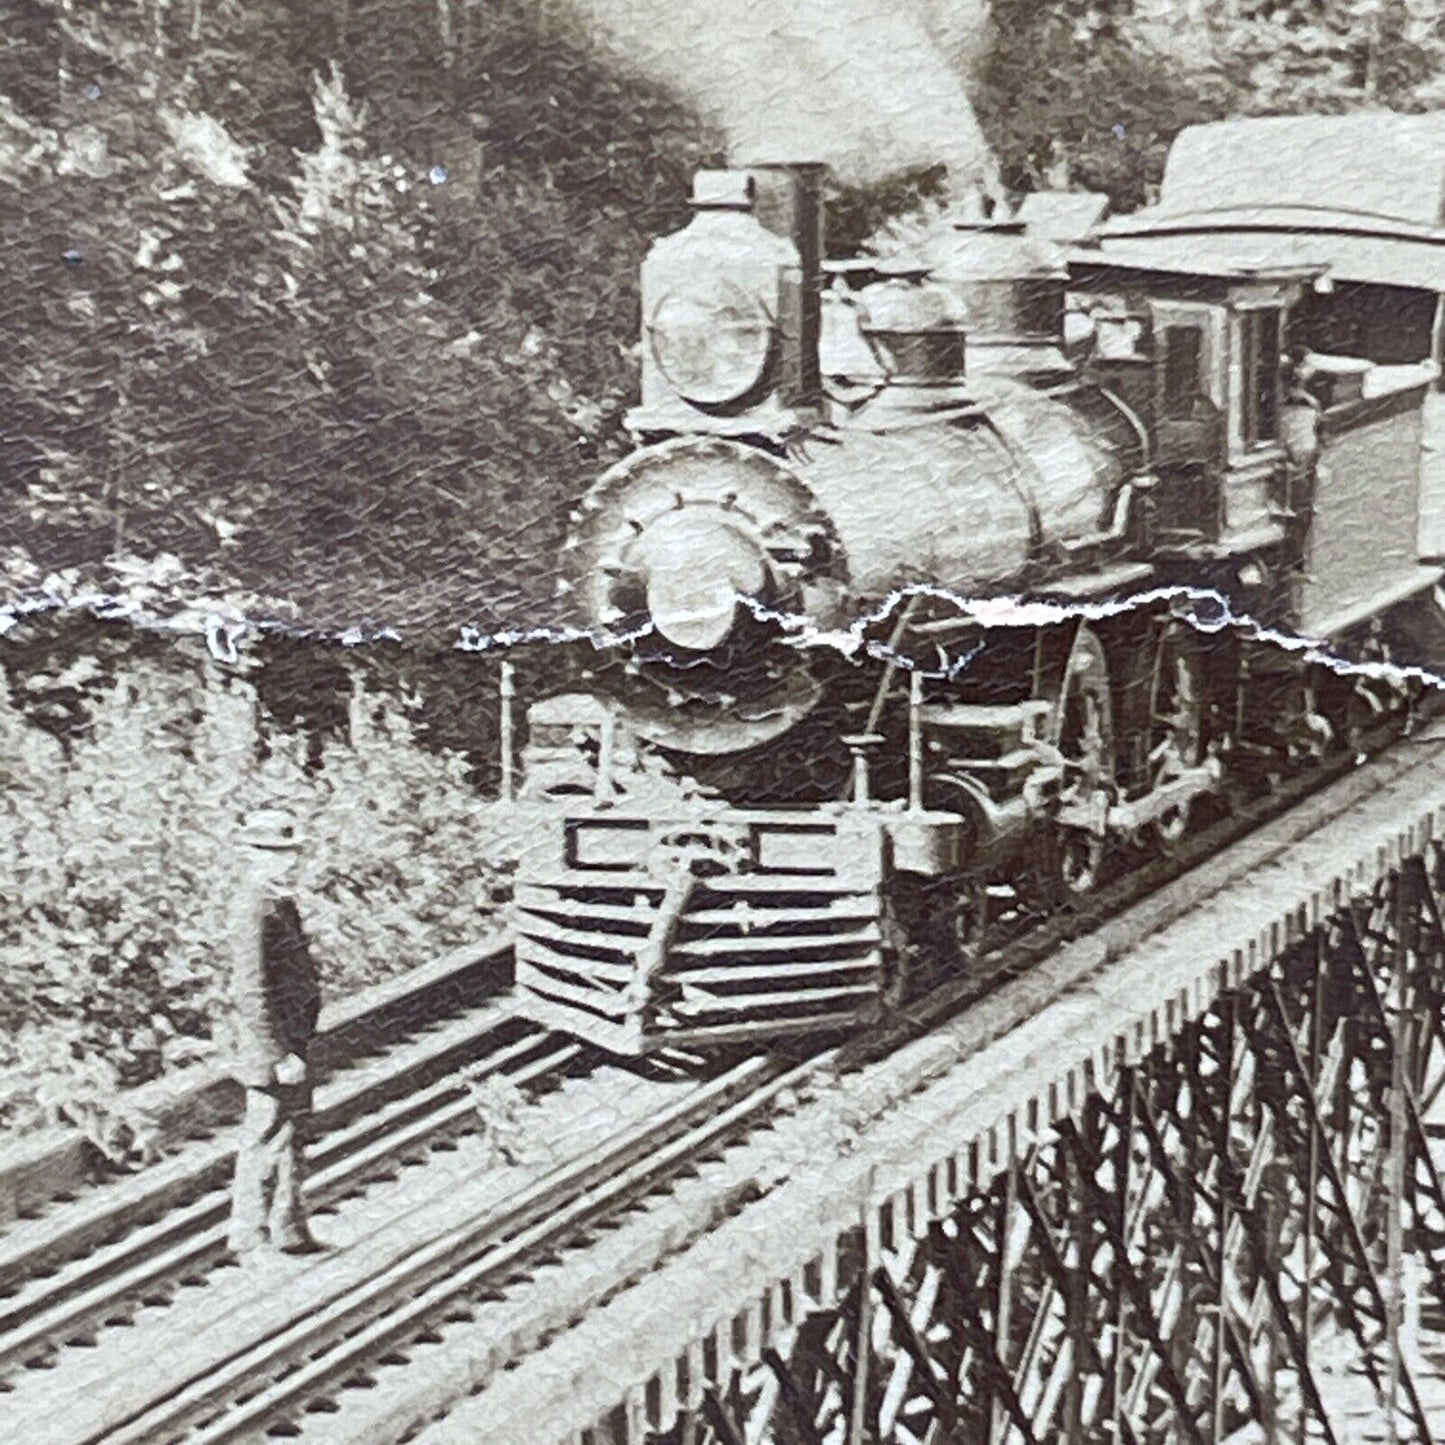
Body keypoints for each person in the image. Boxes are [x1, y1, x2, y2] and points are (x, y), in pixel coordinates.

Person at [226, 805, 322, 1258]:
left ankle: (288, 1229)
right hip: (272, 1049)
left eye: (291, 853)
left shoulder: (279, 902)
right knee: (265, 1138)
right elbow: (250, 991)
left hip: (291, 1043)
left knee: (289, 1137)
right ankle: (249, 1236)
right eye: (275, 853)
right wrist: (278, 1053)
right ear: (252, 855)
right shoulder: (252, 907)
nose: (287, 862)